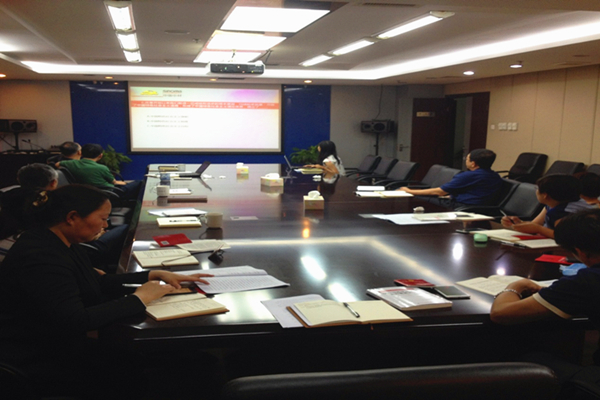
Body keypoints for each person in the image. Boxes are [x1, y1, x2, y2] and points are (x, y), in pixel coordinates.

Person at [0, 184, 211, 397]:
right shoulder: (40, 257)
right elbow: (76, 320)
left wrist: (151, 275)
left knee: (183, 358)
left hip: (61, 341)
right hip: (42, 354)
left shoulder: (60, 241)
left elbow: (96, 281)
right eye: (102, 218)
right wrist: (139, 298)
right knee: (173, 365)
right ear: (72, 217)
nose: (106, 225)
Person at [491, 209, 600, 394]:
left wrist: (516, 286)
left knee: (523, 358)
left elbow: (501, 313)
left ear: (581, 252)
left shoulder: (587, 280)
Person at [0, 163, 128, 269]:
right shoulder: (50, 208)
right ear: (53, 183)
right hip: (76, 249)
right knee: (124, 228)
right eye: (103, 219)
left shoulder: (7, 195)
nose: (105, 223)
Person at [399, 149, 502, 206]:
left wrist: (409, 191)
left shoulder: (468, 176)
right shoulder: (495, 176)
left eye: (467, 159)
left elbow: (440, 192)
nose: (465, 161)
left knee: (418, 198)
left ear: (473, 163)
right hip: (478, 205)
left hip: (463, 206)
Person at [501, 174, 581, 238]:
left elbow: (564, 237)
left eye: (537, 188)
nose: (536, 191)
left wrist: (539, 229)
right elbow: (536, 224)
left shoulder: (566, 212)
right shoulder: (552, 204)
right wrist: (517, 223)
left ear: (545, 195)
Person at [57, 143, 142, 201]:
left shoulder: (70, 164)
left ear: (81, 153)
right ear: (100, 155)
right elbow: (114, 182)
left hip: (90, 193)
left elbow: (57, 164)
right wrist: (126, 183)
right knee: (139, 183)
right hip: (108, 193)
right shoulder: (102, 168)